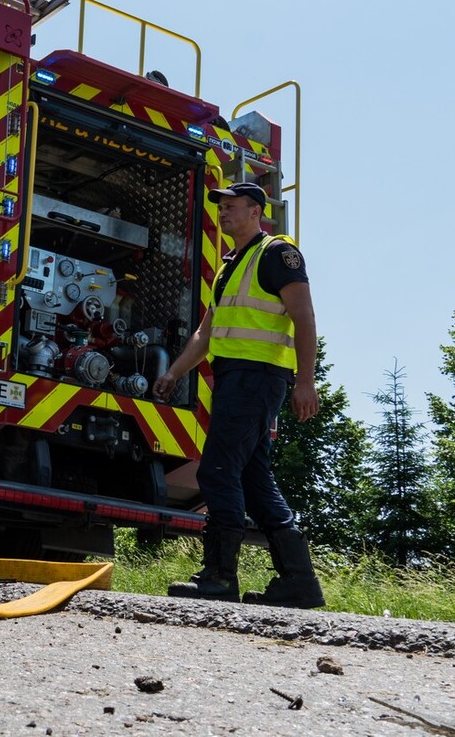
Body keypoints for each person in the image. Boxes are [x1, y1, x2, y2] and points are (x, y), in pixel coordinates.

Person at [153, 181, 325, 609]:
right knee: (252, 478)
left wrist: (306, 381)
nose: (223, 212)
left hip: (258, 377)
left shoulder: (276, 254)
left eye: (232, 206)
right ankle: (299, 582)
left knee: (217, 471)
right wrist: (173, 372)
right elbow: (206, 332)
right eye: (221, 207)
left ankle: (219, 577)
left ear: (255, 212)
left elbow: (304, 316)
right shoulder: (231, 265)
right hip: (237, 379)